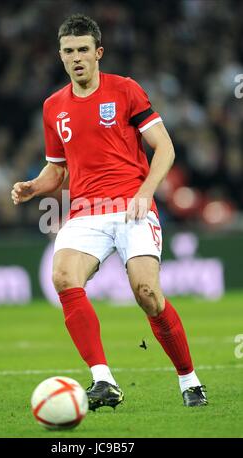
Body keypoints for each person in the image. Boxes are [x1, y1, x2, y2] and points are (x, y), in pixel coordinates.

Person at [11, 14, 207, 410]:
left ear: (98, 52)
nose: (76, 58)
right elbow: (58, 168)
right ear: (60, 56)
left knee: (147, 294)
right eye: (69, 52)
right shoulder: (53, 107)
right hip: (86, 211)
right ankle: (103, 380)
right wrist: (35, 187)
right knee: (64, 277)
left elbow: (164, 148)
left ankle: (189, 380)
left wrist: (146, 192)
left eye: (84, 50)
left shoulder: (126, 90)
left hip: (133, 206)